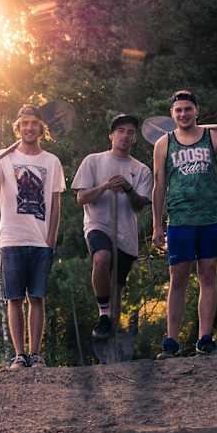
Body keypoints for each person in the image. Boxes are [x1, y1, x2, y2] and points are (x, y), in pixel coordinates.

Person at [152, 90, 217, 359]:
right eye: (178, 110)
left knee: (208, 276)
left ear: (197, 111)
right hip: (180, 220)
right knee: (178, 279)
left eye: (188, 109)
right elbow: (159, 187)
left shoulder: (212, 137)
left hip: (211, 218)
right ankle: (171, 342)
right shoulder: (164, 143)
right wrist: (157, 226)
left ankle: (204, 340)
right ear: (172, 114)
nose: (183, 114)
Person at [0, 105, 66, 369]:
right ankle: (19, 355)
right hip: (11, 239)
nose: (29, 128)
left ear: (41, 128)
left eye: (34, 123)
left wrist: (51, 239)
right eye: (24, 123)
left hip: (40, 241)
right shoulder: (2, 157)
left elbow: (56, 204)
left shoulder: (52, 162)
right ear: (18, 127)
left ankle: (36, 354)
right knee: (14, 298)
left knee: (37, 297)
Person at [72, 113, 152, 340]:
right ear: (111, 135)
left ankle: (111, 335)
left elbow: (140, 205)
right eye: (120, 131)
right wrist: (106, 186)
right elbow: (81, 198)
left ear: (134, 138)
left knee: (116, 287)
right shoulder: (93, 161)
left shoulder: (142, 170)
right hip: (98, 225)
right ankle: (103, 314)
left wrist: (128, 188)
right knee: (101, 258)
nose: (125, 136)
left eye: (130, 132)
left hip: (126, 235)